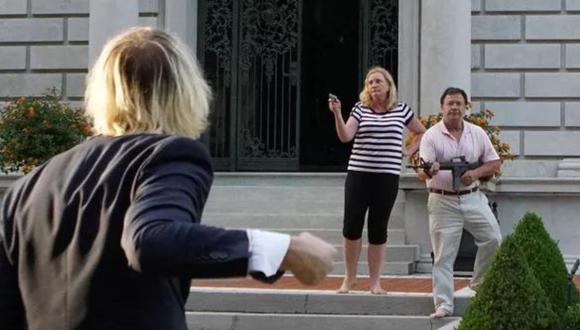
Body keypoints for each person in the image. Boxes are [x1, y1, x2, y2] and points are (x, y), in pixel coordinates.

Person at [0, 27, 336, 330]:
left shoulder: (28, 188)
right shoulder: (169, 154)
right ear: (186, 90)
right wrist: (284, 249)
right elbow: (151, 240)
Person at [328, 66, 426, 294]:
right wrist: (337, 113)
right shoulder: (360, 109)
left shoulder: (402, 110)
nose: (373, 85)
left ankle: (375, 282)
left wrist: (410, 149)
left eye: (378, 81)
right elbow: (345, 136)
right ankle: (349, 278)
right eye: (370, 82)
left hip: (387, 177)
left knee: (378, 229)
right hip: (359, 175)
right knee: (351, 226)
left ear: (388, 85)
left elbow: (423, 132)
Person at [417, 87, 502, 319]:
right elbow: (422, 171)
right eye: (450, 103)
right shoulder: (431, 136)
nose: (454, 107)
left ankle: (480, 283)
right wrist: (430, 169)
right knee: (444, 255)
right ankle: (444, 304)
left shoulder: (477, 133)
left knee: (493, 238)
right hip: (442, 201)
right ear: (442, 107)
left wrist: (474, 174)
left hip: (472, 197)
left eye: (458, 103)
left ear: (466, 107)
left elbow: (494, 162)